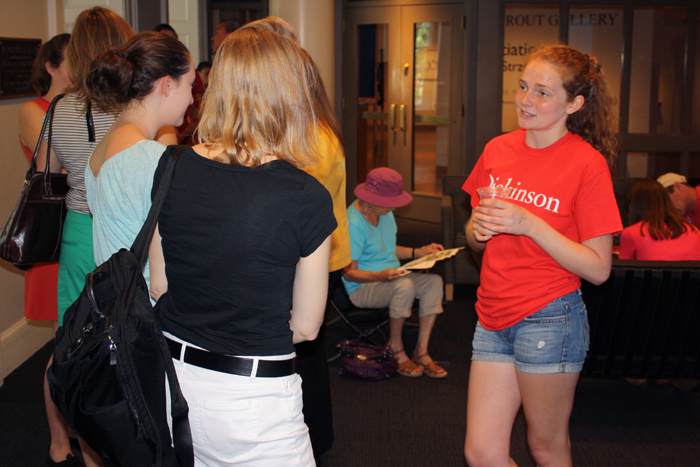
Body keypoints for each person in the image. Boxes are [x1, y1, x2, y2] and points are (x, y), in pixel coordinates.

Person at [148, 25, 336, 466]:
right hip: (253, 401)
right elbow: (307, 327)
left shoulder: (171, 165)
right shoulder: (304, 195)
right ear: (291, 93)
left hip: (174, 379)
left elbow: (159, 285)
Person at [462, 44, 622, 467]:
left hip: (549, 318)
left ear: (575, 103)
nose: (526, 101)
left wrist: (529, 224)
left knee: (545, 448)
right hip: (492, 314)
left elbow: (599, 268)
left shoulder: (587, 165)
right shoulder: (498, 149)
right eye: (522, 87)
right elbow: (474, 239)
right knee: (481, 453)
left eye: (543, 93)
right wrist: (477, 230)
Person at [242, 15, 351, 458]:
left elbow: (287, 209)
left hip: (309, 264)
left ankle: (311, 441)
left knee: (304, 361)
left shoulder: (313, 139)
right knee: (305, 360)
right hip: (305, 260)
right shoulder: (306, 129)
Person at [36, 8, 135, 466]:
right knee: (125, 338)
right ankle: (113, 442)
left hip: (78, 229)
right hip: (121, 229)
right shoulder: (134, 105)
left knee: (70, 340)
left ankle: (61, 441)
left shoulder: (59, 108)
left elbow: (48, 176)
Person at [84, 31, 194, 277]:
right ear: (167, 85)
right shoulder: (150, 158)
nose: (190, 99)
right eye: (190, 85)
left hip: (117, 300)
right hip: (148, 306)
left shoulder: (104, 146)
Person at [342, 167, 447, 378]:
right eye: (390, 203)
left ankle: (421, 351)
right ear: (371, 200)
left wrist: (419, 252)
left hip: (392, 278)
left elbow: (387, 248)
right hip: (363, 286)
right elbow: (348, 272)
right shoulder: (353, 223)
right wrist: (380, 276)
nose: (394, 207)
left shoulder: (385, 213)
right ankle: (396, 348)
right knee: (404, 285)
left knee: (434, 282)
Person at [18, 33, 71, 325]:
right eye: (71, 62)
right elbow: (57, 166)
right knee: (63, 330)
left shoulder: (81, 109)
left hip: (78, 218)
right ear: (51, 67)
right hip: (54, 221)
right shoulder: (33, 110)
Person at [619, 178, 700, 260]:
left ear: (634, 206)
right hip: (690, 273)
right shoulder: (694, 230)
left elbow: (624, 269)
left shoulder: (632, 233)